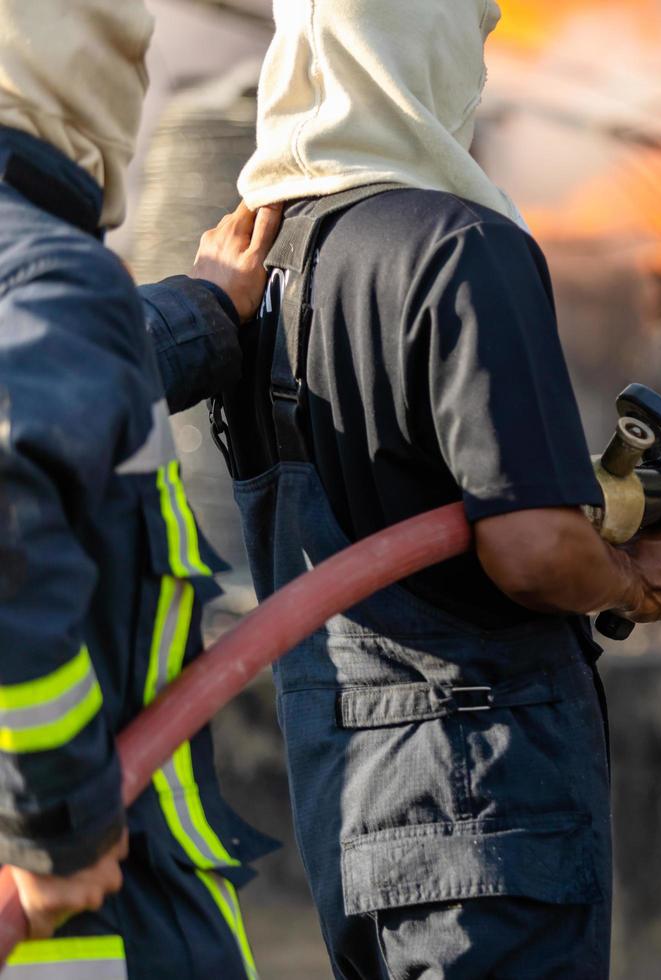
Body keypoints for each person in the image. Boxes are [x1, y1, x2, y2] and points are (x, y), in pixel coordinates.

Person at [210, 0, 661, 976]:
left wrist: (636, 525)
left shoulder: (252, 273)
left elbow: (430, 504)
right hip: (488, 815)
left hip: (352, 815)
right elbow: (533, 546)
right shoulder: (460, 247)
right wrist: (628, 582)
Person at [0, 1, 283, 975]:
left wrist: (202, 313)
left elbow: (60, 394)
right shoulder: (49, 274)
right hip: (84, 916)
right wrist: (58, 817)